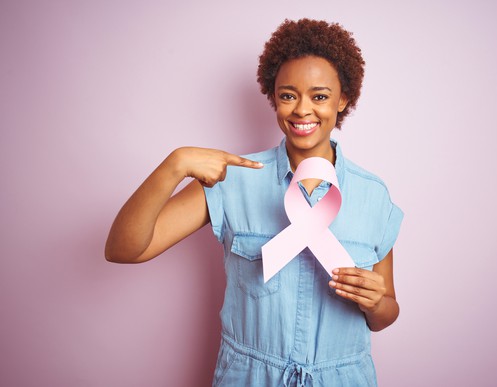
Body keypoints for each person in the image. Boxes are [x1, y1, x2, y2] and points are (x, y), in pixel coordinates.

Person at [105, 18, 403, 387]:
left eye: (320, 96)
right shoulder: (232, 181)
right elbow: (123, 249)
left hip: (344, 377)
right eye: (288, 95)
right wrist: (174, 165)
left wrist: (376, 302)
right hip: (249, 376)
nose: (302, 110)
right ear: (273, 97)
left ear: (343, 99)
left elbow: (385, 313)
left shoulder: (374, 196)